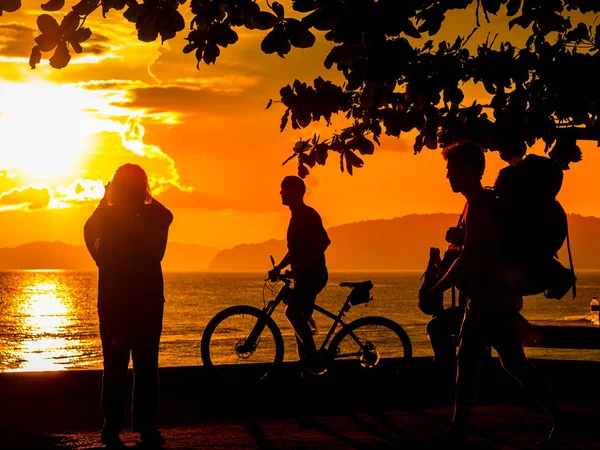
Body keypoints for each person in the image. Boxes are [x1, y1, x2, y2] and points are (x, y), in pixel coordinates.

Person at [421, 141, 566, 448]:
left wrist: (436, 288)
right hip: (486, 299)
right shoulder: (476, 204)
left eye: (451, 169)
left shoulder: (480, 206)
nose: (447, 176)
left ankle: (558, 419)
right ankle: (558, 419)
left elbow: (470, 257)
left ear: (469, 170)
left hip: (493, 301)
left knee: (496, 363)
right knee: (503, 363)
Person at [84, 164, 173, 449]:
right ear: (143, 188)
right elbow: (167, 215)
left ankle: (112, 426)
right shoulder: (151, 215)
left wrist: (105, 196)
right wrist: (146, 196)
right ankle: (146, 427)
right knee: (147, 365)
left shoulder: (107, 217)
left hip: (114, 302)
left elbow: (89, 230)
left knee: (114, 366)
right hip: (146, 300)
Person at [268, 175, 331, 376]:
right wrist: (279, 267)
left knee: (292, 313)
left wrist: (304, 265)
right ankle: (308, 369)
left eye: (284, 189)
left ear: (296, 192)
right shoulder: (296, 216)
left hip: (313, 275)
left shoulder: (307, 214)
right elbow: (294, 251)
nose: (280, 193)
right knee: (300, 319)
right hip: (304, 276)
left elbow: (323, 242)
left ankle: (313, 360)